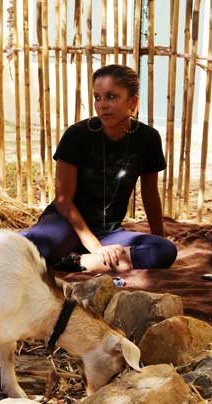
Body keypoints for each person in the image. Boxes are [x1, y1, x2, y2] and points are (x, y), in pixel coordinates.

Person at [21, 64, 177, 272]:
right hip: (65, 224)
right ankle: (68, 256)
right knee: (35, 247)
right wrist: (95, 248)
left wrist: (158, 236)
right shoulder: (77, 135)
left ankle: (75, 263)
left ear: (133, 102)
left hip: (108, 233)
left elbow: (149, 194)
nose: (102, 105)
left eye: (111, 96)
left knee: (164, 250)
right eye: (97, 97)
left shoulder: (147, 139)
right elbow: (63, 200)